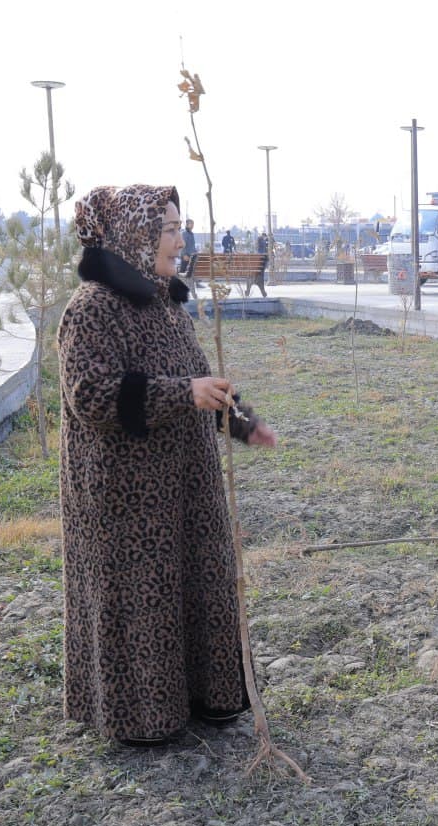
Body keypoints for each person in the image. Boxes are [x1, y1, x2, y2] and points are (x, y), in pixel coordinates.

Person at [58, 184, 277, 746]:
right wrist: (182, 394)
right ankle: (142, 719)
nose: (181, 241)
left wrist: (244, 423)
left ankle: (208, 698)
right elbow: (93, 396)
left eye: (180, 228)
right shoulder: (91, 310)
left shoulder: (166, 304)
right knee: (143, 601)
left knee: (200, 585)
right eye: (169, 229)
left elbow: (205, 383)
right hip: (127, 504)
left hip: (187, 488)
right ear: (135, 235)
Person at [254, 231, 270, 297]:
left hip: (259, 257)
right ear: (263, 236)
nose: (265, 238)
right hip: (261, 257)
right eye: (265, 237)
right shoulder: (262, 240)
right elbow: (264, 248)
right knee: (266, 260)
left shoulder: (259, 240)